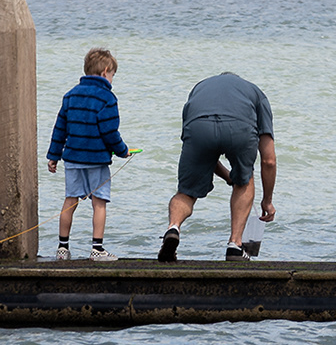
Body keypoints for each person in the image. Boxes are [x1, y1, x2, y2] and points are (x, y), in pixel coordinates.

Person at [159, 71, 277, 262]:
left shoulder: (199, 89)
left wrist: (228, 176)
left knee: (186, 191)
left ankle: (173, 228)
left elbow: (206, 154)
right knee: (245, 181)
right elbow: (269, 160)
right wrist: (267, 201)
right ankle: (235, 245)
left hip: (199, 126)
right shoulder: (256, 93)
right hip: (240, 129)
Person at [46, 47, 132, 262]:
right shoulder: (107, 98)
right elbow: (110, 132)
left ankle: (62, 249)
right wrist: (123, 151)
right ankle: (97, 249)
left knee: (70, 200)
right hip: (97, 160)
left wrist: (53, 156)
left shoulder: (71, 95)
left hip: (72, 159)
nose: (112, 80)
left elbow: (60, 129)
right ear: (105, 71)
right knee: (99, 202)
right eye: (113, 75)